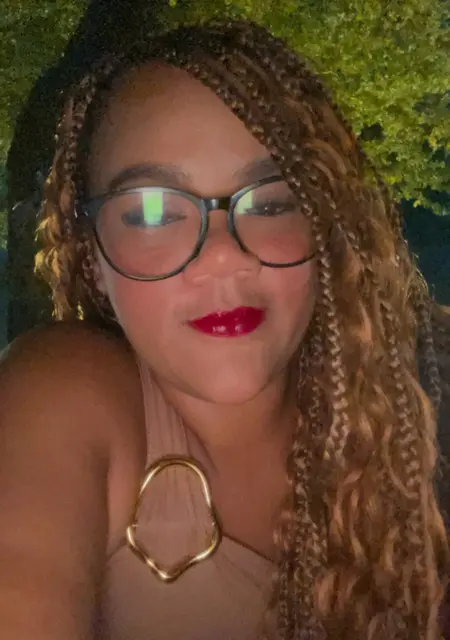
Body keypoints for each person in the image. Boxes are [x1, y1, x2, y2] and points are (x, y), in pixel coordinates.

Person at [0, 20, 448, 640]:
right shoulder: (59, 394)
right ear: (91, 257)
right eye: (151, 211)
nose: (222, 255)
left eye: (269, 202)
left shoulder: (417, 419)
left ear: (325, 228)